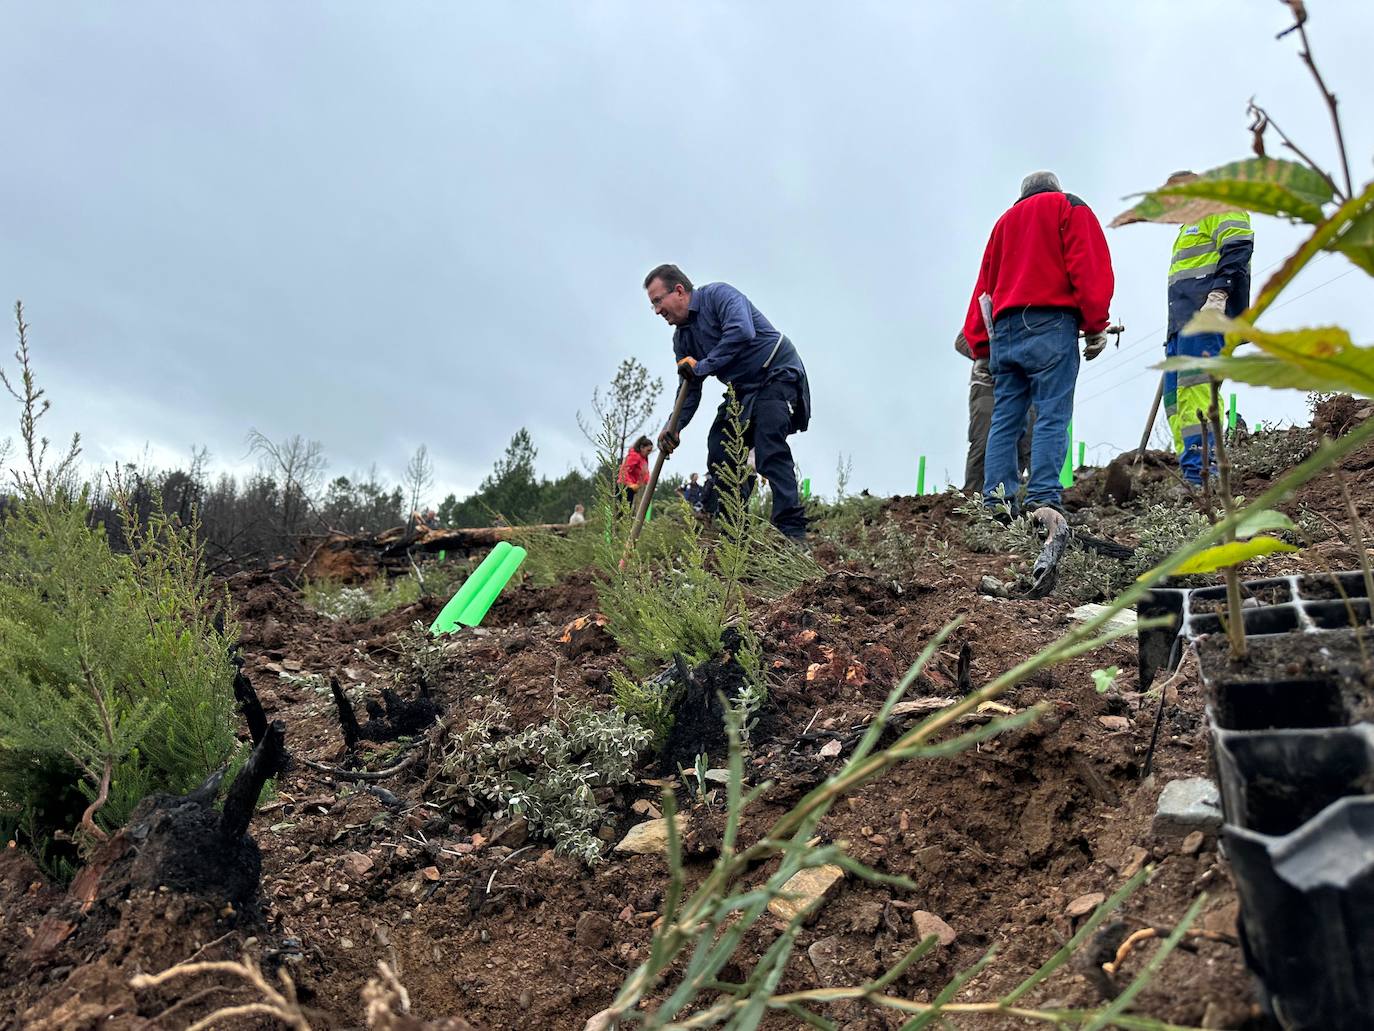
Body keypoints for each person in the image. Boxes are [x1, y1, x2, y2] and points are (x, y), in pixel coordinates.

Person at [962, 171, 1114, 515]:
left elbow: (984, 286)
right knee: (1051, 412)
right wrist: (1095, 324)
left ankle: (997, 503)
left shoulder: (1003, 223)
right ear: (1055, 188)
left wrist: (981, 346)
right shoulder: (1068, 206)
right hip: (1051, 323)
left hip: (1004, 330)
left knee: (1005, 418)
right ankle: (1042, 498)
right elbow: (1088, 266)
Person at [644, 264, 811, 541]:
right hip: (742, 389)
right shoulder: (682, 339)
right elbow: (689, 388)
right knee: (721, 448)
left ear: (679, 291)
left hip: (776, 370)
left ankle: (791, 533)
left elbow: (741, 332)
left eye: (658, 301)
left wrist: (702, 366)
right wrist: (673, 427)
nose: (657, 311)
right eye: (653, 306)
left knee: (769, 445)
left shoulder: (719, 296)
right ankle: (736, 535)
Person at [1161, 170, 1254, 486]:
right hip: (1180, 327)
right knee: (1175, 402)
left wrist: (1219, 297)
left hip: (1206, 318)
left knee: (1198, 391)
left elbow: (1239, 247)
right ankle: (1191, 471)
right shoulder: (1188, 228)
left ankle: (1204, 474)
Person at [956, 330, 1032, 494]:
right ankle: (973, 495)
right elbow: (963, 340)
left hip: (1026, 382)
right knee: (983, 439)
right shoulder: (988, 305)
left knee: (1028, 439)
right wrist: (997, 354)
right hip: (987, 383)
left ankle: (1016, 492)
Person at [617, 435, 653, 509]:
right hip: (624, 487)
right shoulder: (634, 456)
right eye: (648, 450)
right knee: (622, 511)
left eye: (650, 451)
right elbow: (624, 470)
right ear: (641, 448)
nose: (649, 453)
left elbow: (645, 474)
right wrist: (630, 484)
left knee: (628, 511)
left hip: (632, 489)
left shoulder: (644, 459)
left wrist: (650, 483)